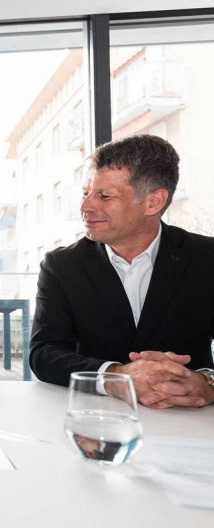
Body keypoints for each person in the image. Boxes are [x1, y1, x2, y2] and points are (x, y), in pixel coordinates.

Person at [30, 134, 214, 408]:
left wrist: (207, 383)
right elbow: (44, 353)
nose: (85, 207)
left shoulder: (207, 258)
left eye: (104, 196)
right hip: (95, 417)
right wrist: (118, 376)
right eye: (86, 193)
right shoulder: (61, 265)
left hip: (193, 423)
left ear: (154, 202)